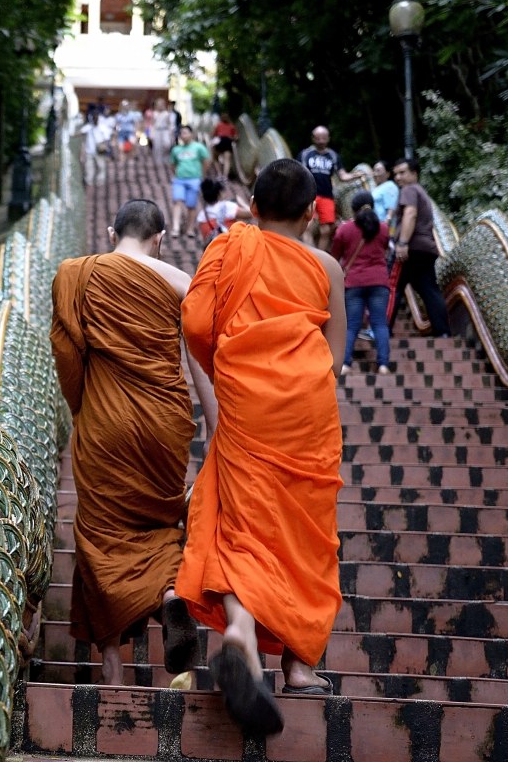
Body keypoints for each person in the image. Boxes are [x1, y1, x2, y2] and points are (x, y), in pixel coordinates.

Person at [175, 158, 346, 736]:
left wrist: (228, 368)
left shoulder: (228, 250)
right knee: (305, 532)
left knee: (245, 525)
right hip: (307, 415)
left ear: (252, 206)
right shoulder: (326, 266)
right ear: (309, 214)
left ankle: (241, 630)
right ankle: (299, 668)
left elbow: (196, 323)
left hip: (248, 406)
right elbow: (337, 359)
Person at [50, 198, 219, 687]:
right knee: (160, 522)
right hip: (165, 422)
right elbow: (201, 368)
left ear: (110, 232)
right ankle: (169, 597)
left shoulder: (77, 274)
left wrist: (84, 405)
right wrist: (215, 435)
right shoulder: (182, 283)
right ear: (160, 238)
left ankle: (112, 670)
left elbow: (65, 353)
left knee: (102, 532)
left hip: (106, 419)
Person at [332, 191, 392, 376]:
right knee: (380, 324)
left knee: (352, 325)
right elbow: (385, 250)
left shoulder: (345, 229)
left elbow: (336, 255)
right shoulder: (383, 228)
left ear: (353, 208)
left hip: (354, 282)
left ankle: (346, 365)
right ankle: (383, 365)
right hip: (379, 281)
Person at [391, 157, 451, 337]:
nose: (398, 178)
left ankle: (381, 329)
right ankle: (443, 332)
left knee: (392, 286)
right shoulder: (421, 192)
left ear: (414, 174)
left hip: (411, 247)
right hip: (426, 249)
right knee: (429, 290)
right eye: (396, 174)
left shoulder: (409, 190)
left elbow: (410, 214)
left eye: (402, 173)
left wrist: (402, 243)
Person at [297, 125, 357, 250]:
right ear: (313, 138)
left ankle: (320, 257)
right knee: (307, 226)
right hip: (309, 195)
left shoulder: (333, 155)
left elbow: (342, 175)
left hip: (327, 195)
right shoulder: (305, 154)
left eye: (324, 138)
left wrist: (355, 175)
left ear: (328, 138)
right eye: (318, 138)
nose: (321, 141)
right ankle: (310, 254)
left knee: (326, 230)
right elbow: (298, 172)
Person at [169, 125, 211, 237]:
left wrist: (202, 174)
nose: (184, 135)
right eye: (182, 133)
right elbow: (172, 164)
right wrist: (177, 173)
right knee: (177, 201)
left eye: (186, 133)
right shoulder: (176, 149)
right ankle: (176, 227)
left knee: (191, 205)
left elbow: (206, 161)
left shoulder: (199, 147)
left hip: (194, 179)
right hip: (179, 179)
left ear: (191, 134)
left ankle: (190, 228)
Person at [195, 178, 251, 243]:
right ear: (218, 194)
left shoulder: (201, 217)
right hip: (230, 245)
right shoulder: (227, 206)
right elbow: (251, 214)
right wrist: (241, 203)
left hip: (214, 249)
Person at [80, 111, 112, 186]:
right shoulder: (88, 127)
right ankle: (89, 181)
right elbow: (80, 132)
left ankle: (100, 181)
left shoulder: (102, 127)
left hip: (99, 150)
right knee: (89, 167)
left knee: (101, 166)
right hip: (89, 151)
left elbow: (107, 138)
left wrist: (105, 147)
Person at [370, 160, 399, 227]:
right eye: (374, 171)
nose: (375, 174)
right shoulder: (376, 188)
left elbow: (391, 210)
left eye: (378, 171)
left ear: (387, 174)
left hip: (383, 228)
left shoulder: (390, 186)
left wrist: (384, 228)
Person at [212, 113, 239, 180]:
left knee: (215, 158)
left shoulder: (218, 125)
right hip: (228, 142)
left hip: (220, 141)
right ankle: (225, 176)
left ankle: (219, 174)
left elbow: (214, 135)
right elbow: (236, 137)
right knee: (227, 160)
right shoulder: (232, 126)